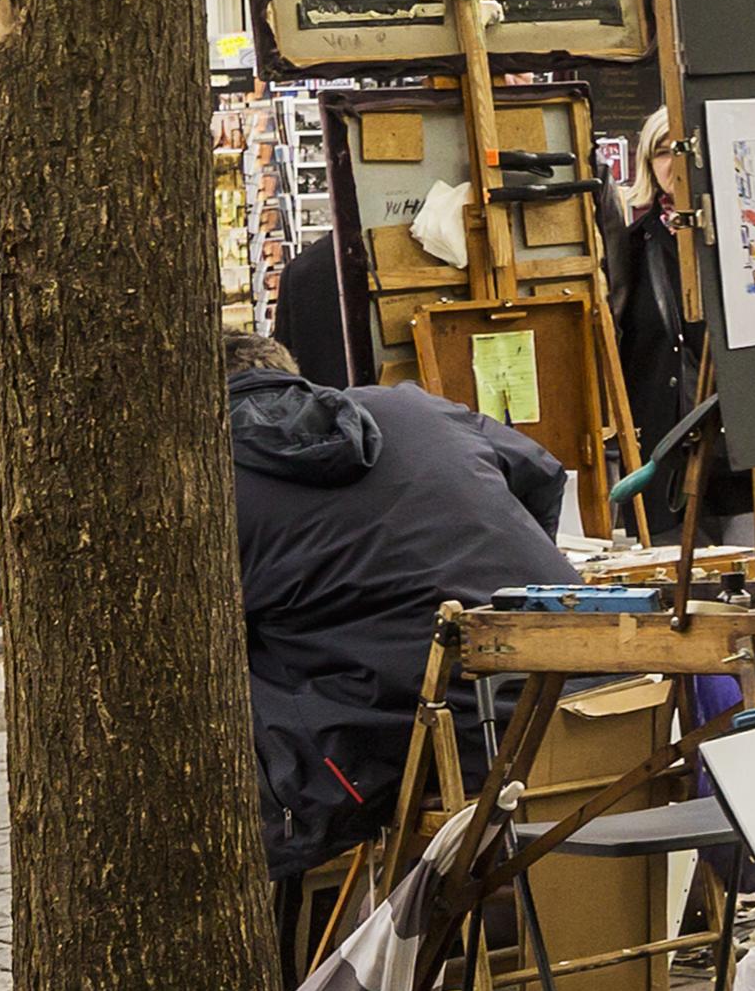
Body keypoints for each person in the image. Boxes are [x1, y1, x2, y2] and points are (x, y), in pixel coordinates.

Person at [231, 324, 573, 876]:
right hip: (580, 698)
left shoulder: (209, 481)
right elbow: (544, 474)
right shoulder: (413, 409)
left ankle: (317, 946)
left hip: (447, 748)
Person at [601, 115, 701, 484]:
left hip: (737, 455)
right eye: (662, 152)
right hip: (662, 454)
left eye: (682, 149)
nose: (673, 162)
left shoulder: (745, 238)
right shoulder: (632, 247)